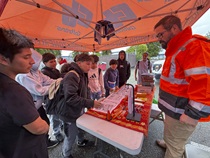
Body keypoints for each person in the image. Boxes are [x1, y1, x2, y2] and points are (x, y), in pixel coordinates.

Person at [154, 15, 210, 158]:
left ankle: (171, 148)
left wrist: (193, 113)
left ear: (174, 28)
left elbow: (205, 85)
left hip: (182, 112)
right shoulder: (175, 50)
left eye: (161, 34)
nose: (158, 38)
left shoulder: (193, 46)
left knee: (176, 148)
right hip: (174, 110)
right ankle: (169, 142)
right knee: (171, 135)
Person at [0, 28, 49, 158]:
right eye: (26, 57)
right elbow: (38, 128)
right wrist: (46, 125)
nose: (32, 62)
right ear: (3, 59)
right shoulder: (13, 90)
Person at [59, 53, 101, 158]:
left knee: (80, 127)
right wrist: (90, 103)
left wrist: (89, 103)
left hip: (78, 109)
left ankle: (81, 141)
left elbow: (85, 90)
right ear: (79, 63)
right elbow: (70, 98)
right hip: (69, 111)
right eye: (87, 64)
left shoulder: (83, 73)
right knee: (70, 134)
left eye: (91, 64)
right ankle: (66, 153)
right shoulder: (72, 75)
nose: (90, 66)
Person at [16, 49, 59, 149]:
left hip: (38, 105)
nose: (32, 61)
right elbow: (40, 90)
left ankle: (45, 141)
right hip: (31, 106)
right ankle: (41, 144)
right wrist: (57, 85)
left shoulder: (36, 72)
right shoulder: (24, 75)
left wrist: (57, 82)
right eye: (28, 58)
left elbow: (47, 80)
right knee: (39, 127)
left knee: (46, 122)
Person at [41, 52, 64, 142]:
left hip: (59, 97)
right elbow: (53, 85)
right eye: (51, 62)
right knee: (54, 117)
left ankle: (61, 126)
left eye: (54, 61)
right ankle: (56, 133)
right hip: (51, 99)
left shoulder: (56, 70)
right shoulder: (44, 72)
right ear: (45, 63)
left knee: (59, 114)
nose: (54, 63)